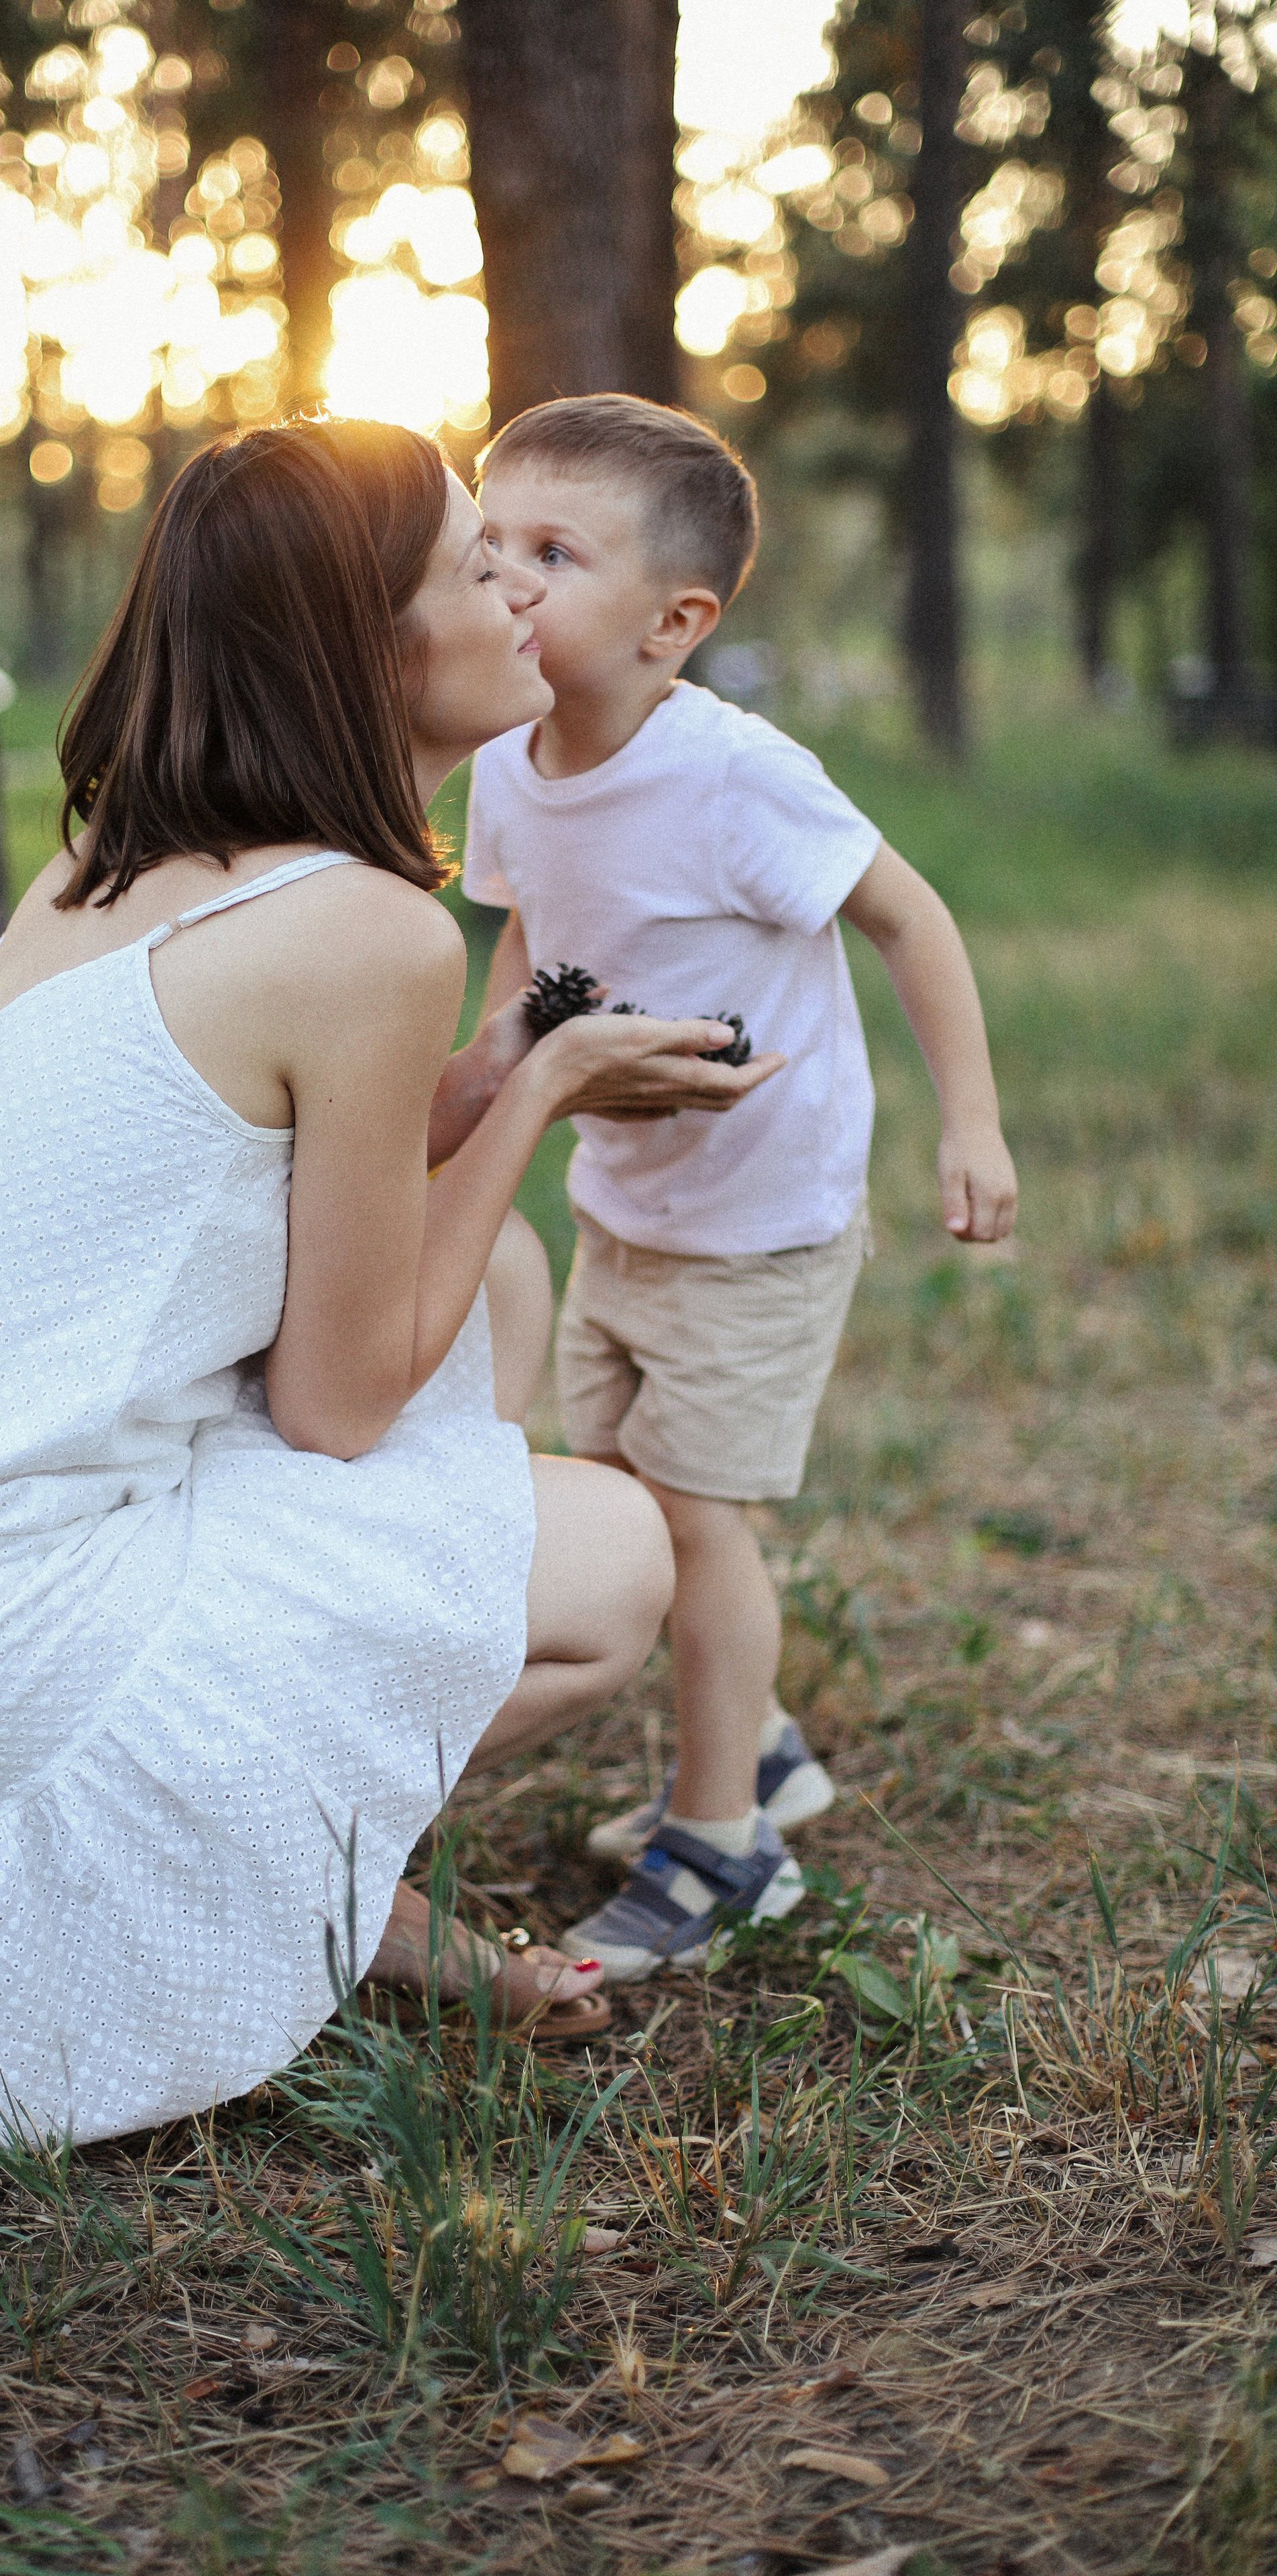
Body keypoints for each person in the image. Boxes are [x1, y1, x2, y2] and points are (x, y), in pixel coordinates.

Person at [0, 419, 773, 2157]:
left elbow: (238, 1177)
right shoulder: (367, 933)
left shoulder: (119, 863)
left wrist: (488, 1074)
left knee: (489, 1271)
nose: (515, 591)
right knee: (620, 1555)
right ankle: (312, 1883)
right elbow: (334, 1409)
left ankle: (334, 1865)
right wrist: (554, 1094)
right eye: (467, 565)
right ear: (365, 651)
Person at [463, 394, 1018, 1982]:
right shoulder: (508, 758)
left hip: (757, 1217)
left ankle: (721, 1846)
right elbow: (525, 933)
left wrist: (966, 1124)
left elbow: (911, 921)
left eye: (551, 553)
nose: (504, 576)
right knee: (624, 1490)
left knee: (697, 1530)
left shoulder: (735, 777)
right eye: (490, 540)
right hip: (624, 1201)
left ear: (673, 623)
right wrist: (486, 1076)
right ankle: (759, 1749)